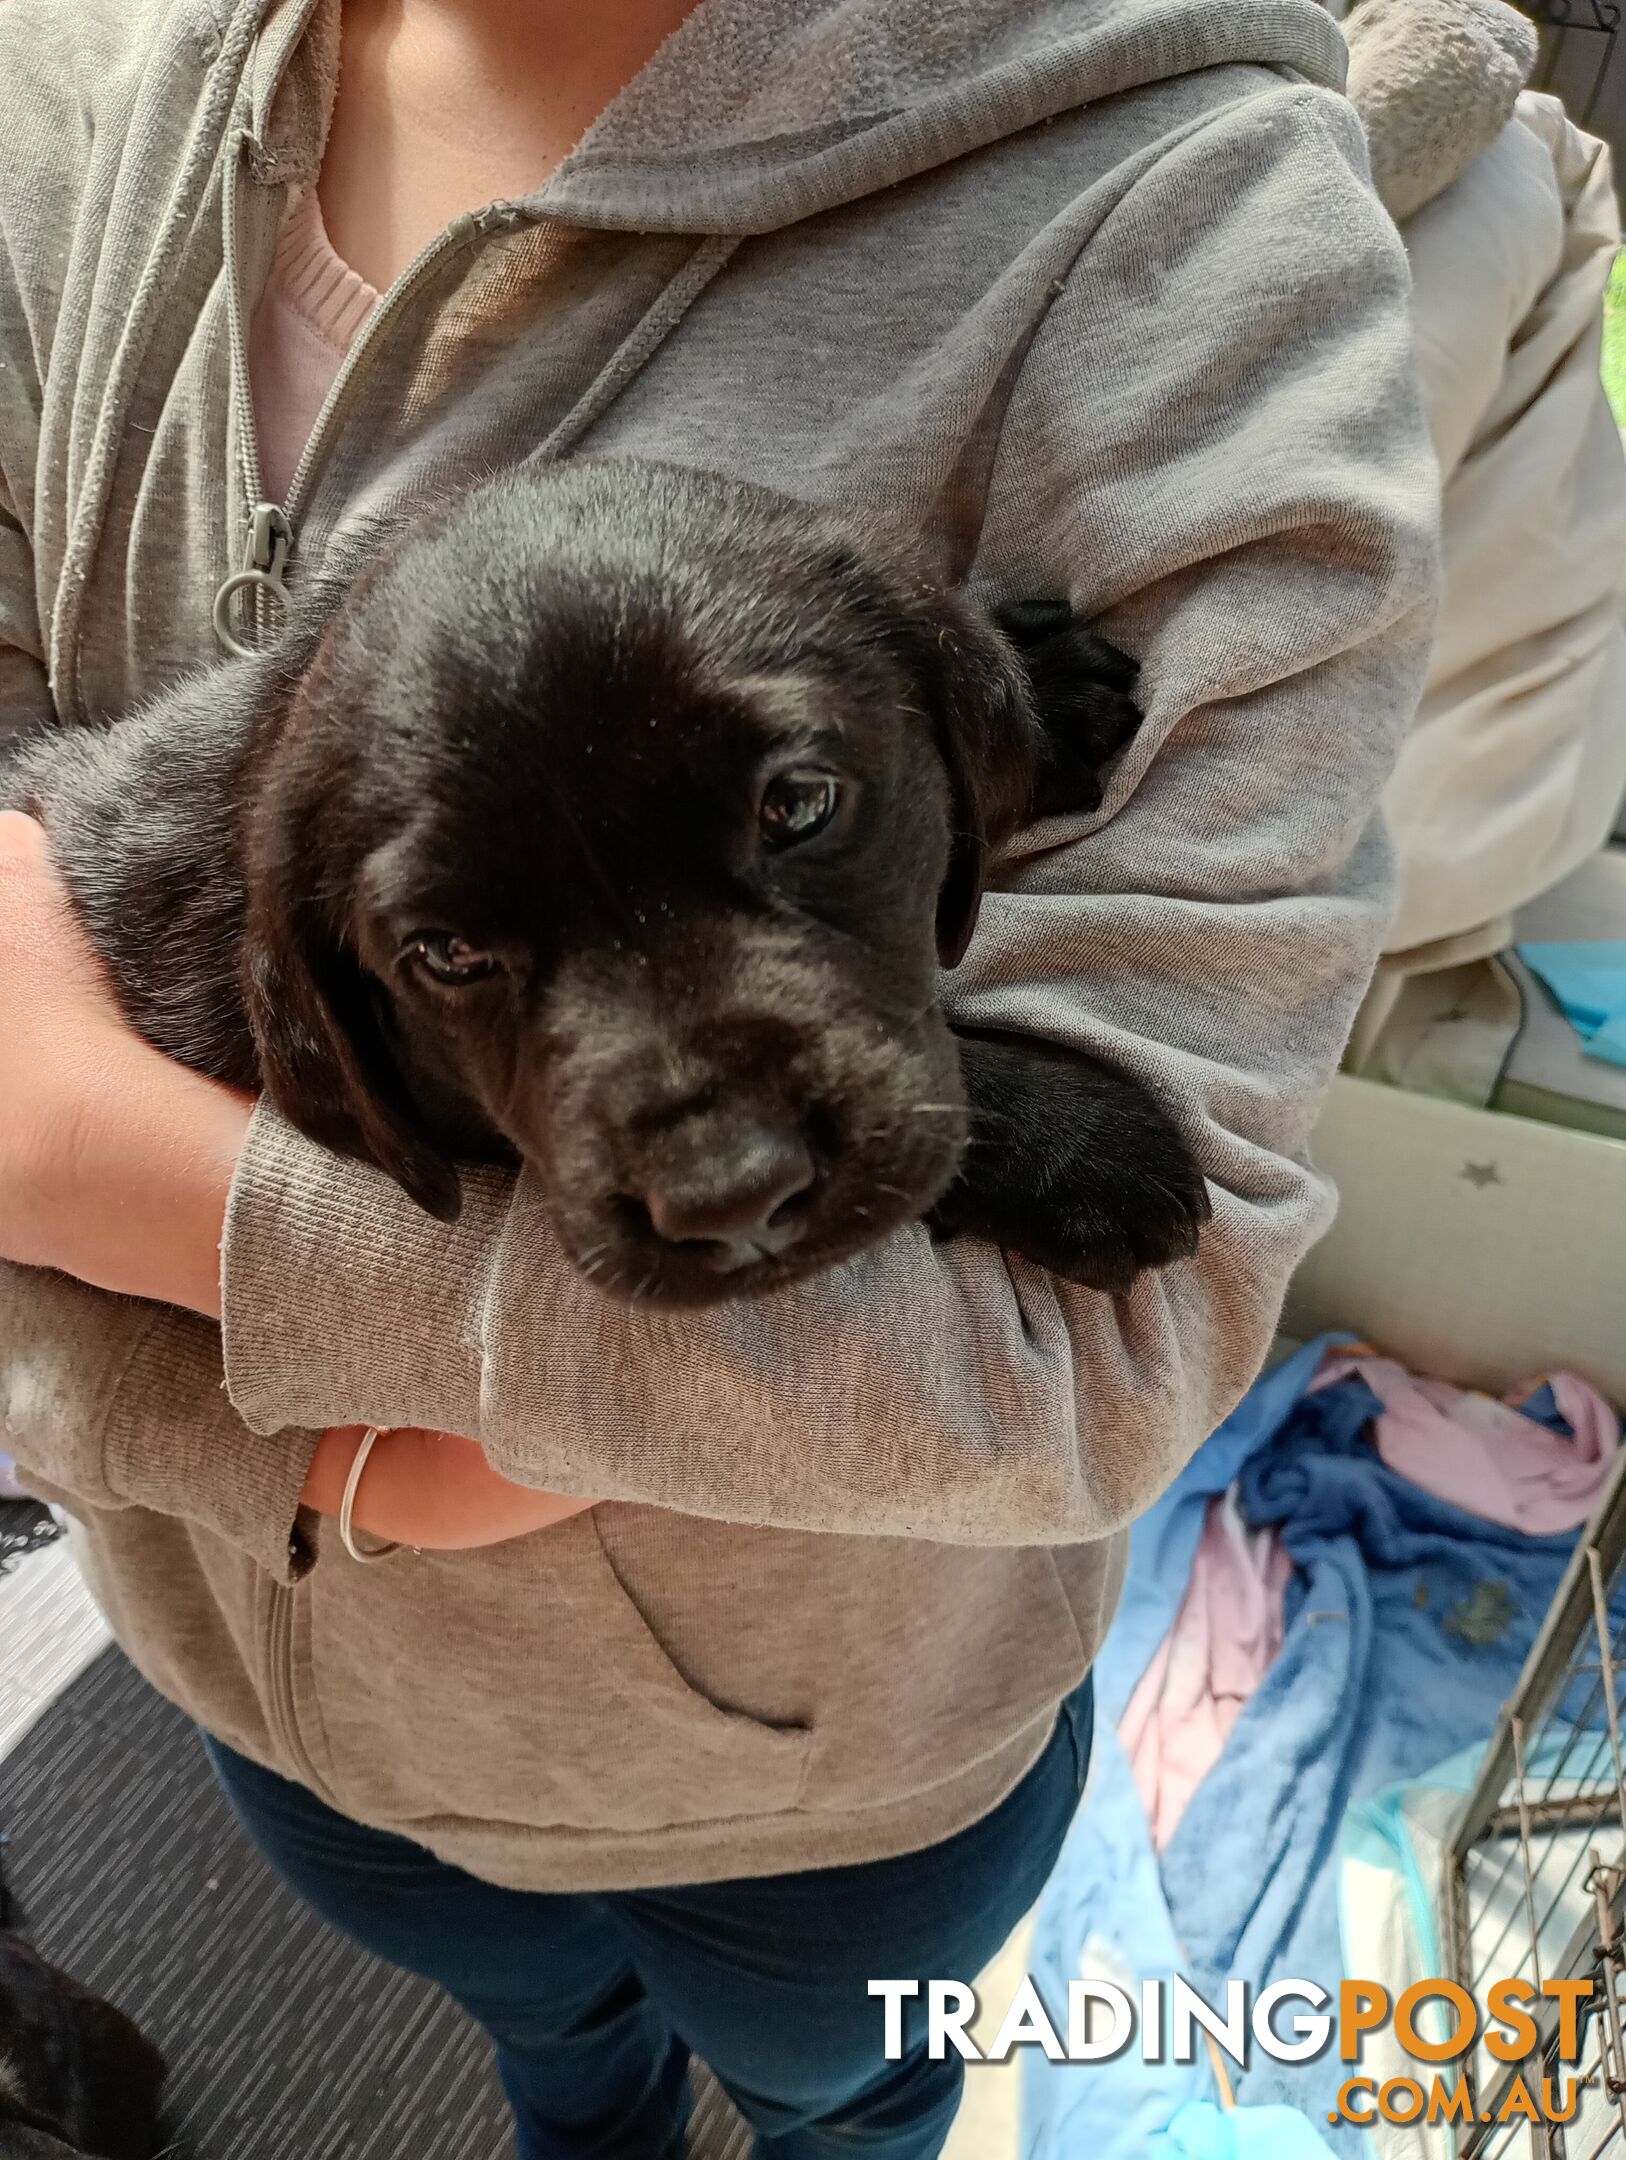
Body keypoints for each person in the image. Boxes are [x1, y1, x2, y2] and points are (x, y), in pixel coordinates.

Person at [0, 0, 1438, 2153]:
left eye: (792, 813)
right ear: (336, 1002)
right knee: (549, 2052)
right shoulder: (59, 101)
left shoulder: (1176, 224)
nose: (723, 1166)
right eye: (465, 949)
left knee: (846, 2087)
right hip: (288, 1699)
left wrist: (144, 1198)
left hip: (834, 1775)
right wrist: (318, 1477)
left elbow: (1104, 1346)